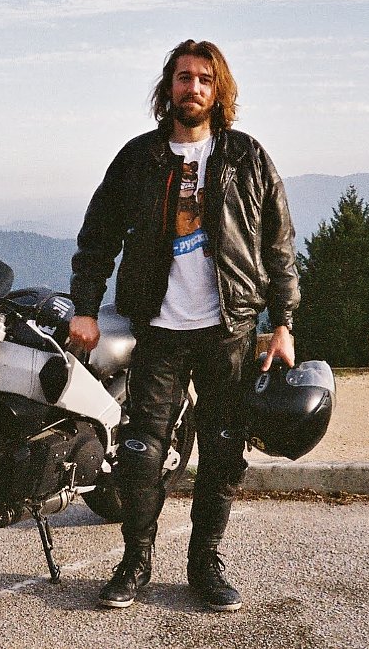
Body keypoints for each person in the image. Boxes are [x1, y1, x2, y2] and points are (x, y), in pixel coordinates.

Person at [68, 39, 299, 611]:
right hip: (159, 329)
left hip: (230, 330)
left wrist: (284, 323)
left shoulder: (247, 156)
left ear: (218, 91)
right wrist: (85, 308)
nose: (191, 87)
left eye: (203, 78)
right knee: (143, 452)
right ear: (167, 87)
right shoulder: (137, 159)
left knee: (222, 449)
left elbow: (279, 247)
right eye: (182, 77)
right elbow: (95, 240)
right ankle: (135, 562)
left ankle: (205, 564)